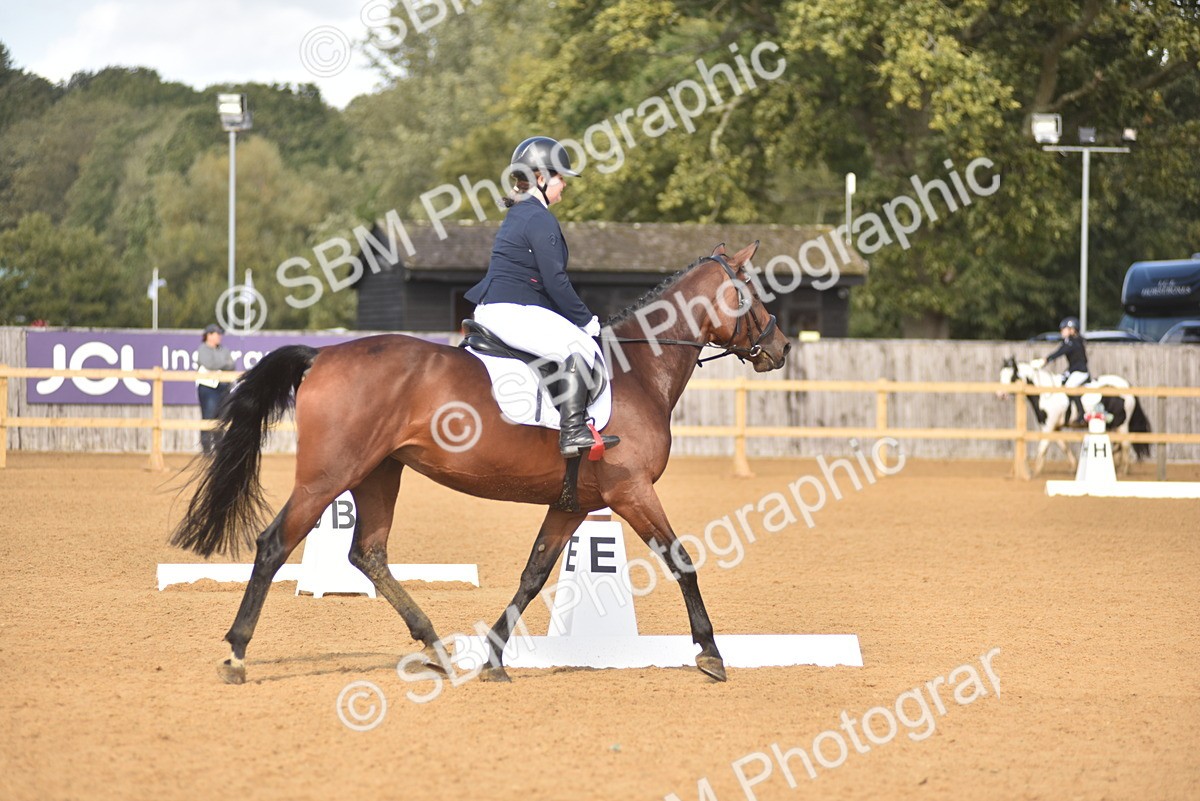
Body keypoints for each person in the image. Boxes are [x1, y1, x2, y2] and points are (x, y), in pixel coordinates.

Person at [463, 136, 619, 458]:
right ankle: (573, 432)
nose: (564, 185)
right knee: (578, 346)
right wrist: (586, 321)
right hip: (513, 310)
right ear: (540, 177)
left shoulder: (523, 213)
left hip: (503, 308)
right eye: (560, 177)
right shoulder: (538, 216)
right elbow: (556, 281)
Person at [1032, 316, 1089, 427]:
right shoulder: (1068, 342)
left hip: (1080, 372)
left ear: (1072, 330)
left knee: (1070, 386)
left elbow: (1060, 353)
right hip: (1073, 371)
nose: (1061, 331)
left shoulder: (1074, 342)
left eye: (1064, 328)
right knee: (1060, 382)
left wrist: (1045, 360)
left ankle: (1082, 414)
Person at [197, 323, 235, 455]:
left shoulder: (223, 349)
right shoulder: (202, 349)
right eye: (217, 334)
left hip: (223, 386)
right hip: (208, 387)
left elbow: (232, 365)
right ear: (209, 335)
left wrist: (221, 365)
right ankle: (206, 448)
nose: (220, 336)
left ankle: (219, 448)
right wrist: (224, 364)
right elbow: (209, 363)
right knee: (208, 416)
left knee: (222, 417)